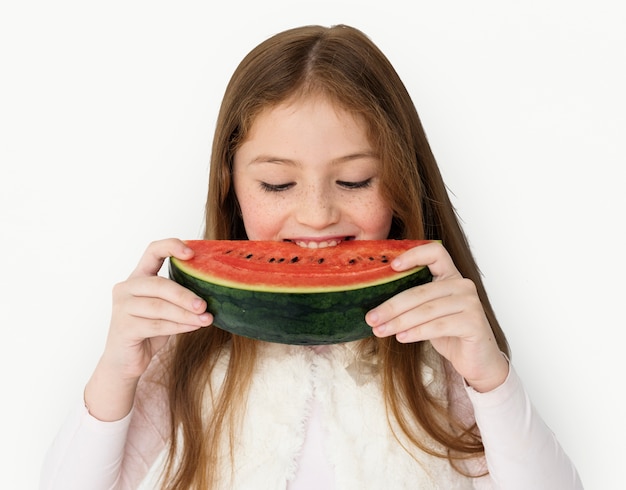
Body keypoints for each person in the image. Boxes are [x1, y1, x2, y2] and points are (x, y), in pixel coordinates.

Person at [40, 24, 584, 489]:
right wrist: (116, 371)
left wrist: (490, 380)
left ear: (400, 181)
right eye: (278, 184)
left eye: (354, 180)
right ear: (229, 184)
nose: (318, 215)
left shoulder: (442, 355)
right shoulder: (184, 359)